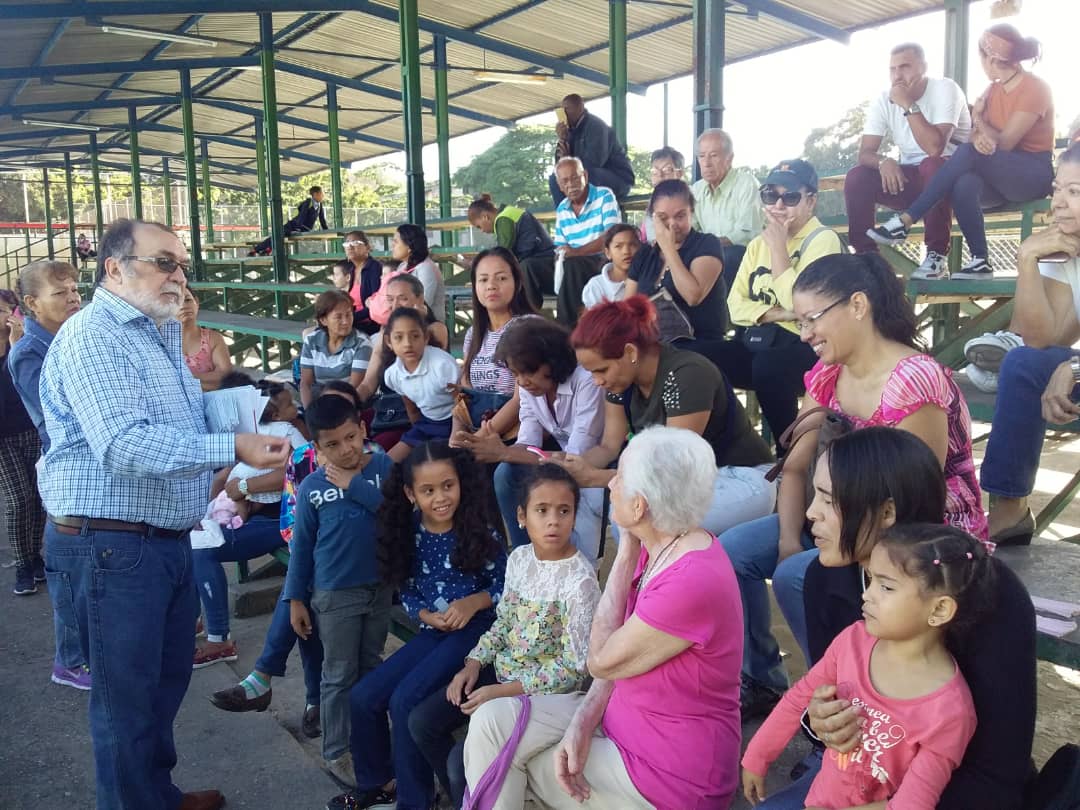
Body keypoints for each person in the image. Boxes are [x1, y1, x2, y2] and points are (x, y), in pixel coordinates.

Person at [38, 218, 291, 810]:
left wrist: (245, 425)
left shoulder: (155, 332)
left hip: (162, 540)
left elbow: (180, 425)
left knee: (160, 688)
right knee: (125, 704)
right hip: (112, 546)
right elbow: (124, 444)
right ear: (115, 269)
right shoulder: (93, 337)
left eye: (181, 263)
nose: (179, 275)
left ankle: (155, 794)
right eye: (164, 262)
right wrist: (231, 448)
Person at [722, 251, 988, 721]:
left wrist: (802, 552)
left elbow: (914, 502)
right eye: (799, 322)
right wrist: (787, 539)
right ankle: (769, 679)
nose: (804, 335)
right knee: (736, 552)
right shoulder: (828, 375)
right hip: (838, 511)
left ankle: (849, 696)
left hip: (920, 528)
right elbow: (797, 468)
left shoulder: (913, 379)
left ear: (859, 306)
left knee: (798, 575)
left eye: (811, 319)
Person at [463, 426, 744, 809]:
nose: (611, 483)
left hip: (667, 774)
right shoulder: (665, 543)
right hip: (622, 723)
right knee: (491, 724)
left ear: (641, 505)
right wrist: (582, 722)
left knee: (512, 764)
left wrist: (625, 548)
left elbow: (599, 659)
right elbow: (614, 670)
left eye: (621, 475)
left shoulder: (690, 580)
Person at [800, 429, 1037, 810]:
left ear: (888, 513)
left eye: (828, 499)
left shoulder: (992, 596)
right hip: (854, 784)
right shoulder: (824, 581)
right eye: (815, 495)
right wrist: (820, 721)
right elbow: (824, 713)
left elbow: (996, 778)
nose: (810, 512)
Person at [742, 523, 992, 809]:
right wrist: (757, 756)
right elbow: (799, 698)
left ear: (939, 610)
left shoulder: (949, 713)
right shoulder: (853, 641)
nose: (867, 594)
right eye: (870, 579)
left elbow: (911, 804)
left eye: (886, 586)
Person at [329, 441, 506, 810]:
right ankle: (378, 783)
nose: (440, 498)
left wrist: (473, 602)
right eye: (428, 490)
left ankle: (416, 801)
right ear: (411, 493)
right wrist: (425, 615)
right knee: (363, 696)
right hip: (434, 632)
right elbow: (406, 590)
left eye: (448, 486)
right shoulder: (407, 531)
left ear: (461, 484)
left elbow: (508, 587)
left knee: (404, 699)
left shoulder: (478, 526)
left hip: (477, 632)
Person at [413, 464, 601, 808]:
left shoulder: (580, 581)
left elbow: (573, 670)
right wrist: (472, 663)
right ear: (521, 516)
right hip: (499, 672)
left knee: (459, 764)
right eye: (541, 511)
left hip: (541, 693)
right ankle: (470, 799)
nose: (553, 521)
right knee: (422, 721)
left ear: (575, 516)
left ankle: (475, 794)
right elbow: (504, 622)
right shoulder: (520, 558)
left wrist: (501, 692)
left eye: (564, 511)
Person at [209, 381, 365, 739]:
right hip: (317, 561)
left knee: (304, 587)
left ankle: (269, 678)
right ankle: (312, 702)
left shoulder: (372, 460)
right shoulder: (301, 459)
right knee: (305, 590)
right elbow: (292, 521)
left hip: (358, 564)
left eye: (348, 425)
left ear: (359, 424)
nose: (340, 433)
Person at [561, 296, 776, 537]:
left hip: (742, 478)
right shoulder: (620, 383)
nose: (597, 381)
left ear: (630, 352)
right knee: (624, 515)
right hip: (690, 485)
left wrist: (595, 478)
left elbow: (671, 470)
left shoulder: (687, 374)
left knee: (643, 521)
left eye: (601, 370)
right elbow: (608, 447)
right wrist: (565, 469)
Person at [868, 25, 1054, 279]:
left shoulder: (1034, 88)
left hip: (1031, 174)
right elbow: (977, 137)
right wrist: (978, 132)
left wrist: (978, 120)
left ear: (991, 58)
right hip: (997, 176)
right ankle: (980, 261)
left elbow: (1006, 143)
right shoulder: (992, 90)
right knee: (964, 182)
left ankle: (907, 219)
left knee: (966, 153)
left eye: (981, 59)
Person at [283, 395, 395, 786]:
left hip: (379, 589)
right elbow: (302, 547)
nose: (346, 449)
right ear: (317, 448)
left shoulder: (382, 467)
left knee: (371, 666)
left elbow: (394, 513)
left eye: (351, 437)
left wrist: (354, 484)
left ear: (363, 430)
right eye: (333, 444)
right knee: (338, 673)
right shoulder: (312, 486)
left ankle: (372, 743)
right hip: (334, 595)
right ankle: (336, 751)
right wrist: (295, 599)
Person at [976, 143, 1080, 543]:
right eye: (1057, 189)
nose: (1058, 203)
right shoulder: (1067, 246)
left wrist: (1071, 368)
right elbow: (1040, 338)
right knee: (1022, 363)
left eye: (1074, 191)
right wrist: (1027, 258)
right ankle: (1009, 511)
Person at [454, 317, 606, 563]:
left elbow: (577, 456)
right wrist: (492, 449)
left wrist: (503, 451)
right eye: (515, 374)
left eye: (529, 371)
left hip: (598, 464)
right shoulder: (527, 387)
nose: (522, 382)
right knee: (506, 473)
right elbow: (528, 441)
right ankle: (527, 559)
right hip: (560, 459)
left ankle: (573, 565)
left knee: (508, 465)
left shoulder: (585, 379)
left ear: (553, 362)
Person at [720, 158, 844, 446]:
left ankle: (790, 453)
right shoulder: (756, 245)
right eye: (769, 196)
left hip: (812, 345)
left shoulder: (822, 239)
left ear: (810, 202)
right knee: (698, 358)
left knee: (768, 367)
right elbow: (734, 305)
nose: (778, 205)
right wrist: (779, 314)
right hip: (761, 338)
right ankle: (734, 448)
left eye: (789, 197)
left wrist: (778, 248)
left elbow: (801, 305)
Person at [191, 378, 308, 669]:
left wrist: (244, 486)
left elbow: (299, 473)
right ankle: (194, 619)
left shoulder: (290, 433)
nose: (294, 406)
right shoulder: (255, 432)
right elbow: (222, 477)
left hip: (284, 520)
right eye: (287, 403)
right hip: (253, 513)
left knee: (203, 550)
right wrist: (205, 514)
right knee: (192, 539)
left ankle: (220, 640)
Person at [7, 261, 87, 686]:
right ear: (32, 303)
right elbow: (61, 416)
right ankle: (70, 660)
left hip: (83, 469)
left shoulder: (72, 336)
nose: (73, 298)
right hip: (65, 472)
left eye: (75, 290)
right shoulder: (29, 353)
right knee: (69, 569)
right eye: (61, 293)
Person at [846, 42, 972, 279]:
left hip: (954, 184)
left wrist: (907, 104)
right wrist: (884, 161)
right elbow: (865, 153)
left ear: (924, 67)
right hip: (914, 182)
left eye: (904, 67)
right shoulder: (883, 100)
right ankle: (867, 259)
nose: (897, 75)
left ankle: (936, 256)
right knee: (857, 177)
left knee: (931, 165)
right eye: (892, 69)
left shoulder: (946, 89)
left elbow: (934, 148)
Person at [625, 178, 730, 344]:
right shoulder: (645, 253)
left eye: (680, 216)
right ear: (653, 217)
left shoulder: (707, 244)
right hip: (653, 346)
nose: (672, 224)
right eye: (663, 218)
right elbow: (628, 308)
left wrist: (668, 248)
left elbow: (693, 296)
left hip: (698, 346)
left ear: (691, 212)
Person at [451, 247, 538, 441]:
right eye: (483, 279)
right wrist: (456, 437)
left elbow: (521, 400)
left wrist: (478, 440)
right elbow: (465, 393)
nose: (491, 285)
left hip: (517, 433)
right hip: (478, 427)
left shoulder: (527, 328)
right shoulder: (473, 334)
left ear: (518, 283)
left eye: (501, 278)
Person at [0, 287, 46, 598]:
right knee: (18, 500)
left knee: (38, 496)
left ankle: (36, 555)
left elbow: (25, 384)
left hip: (29, 428)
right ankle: (22, 563)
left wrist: (14, 346)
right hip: (2, 437)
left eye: (5, 310)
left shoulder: (23, 344)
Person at [548, 157, 622, 326]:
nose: (571, 184)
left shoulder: (604, 195)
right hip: (572, 264)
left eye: (575, 177)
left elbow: (611, 236)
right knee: (529, 267)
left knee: (573, 265)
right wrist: (561, 255)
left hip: (602, 259)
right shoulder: (562, 208)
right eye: (565, 181)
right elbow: (560, 246)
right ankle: (530, 320)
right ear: (559, 186)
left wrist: (576, 252)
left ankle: (566, 330)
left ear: (585, 176)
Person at [356, 272, 450, 406]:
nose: (395, 305)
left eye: (403, 298)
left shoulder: (435, 329)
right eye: (390, 299)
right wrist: (351, 400)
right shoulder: (386, 332)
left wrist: (417, 321)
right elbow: (368, 383)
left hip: (427, 409)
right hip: (388, 408)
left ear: (420, 299)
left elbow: (419, 370)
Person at [690, 129, 765, 293]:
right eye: (701, 156)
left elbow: (746, 235)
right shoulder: (696, 189)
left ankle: (724, 314)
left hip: (745, 257)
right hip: (709, 254)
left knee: (730, 255)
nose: (706, 163)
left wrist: (708, 245)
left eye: (713, 155)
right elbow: (690, 230)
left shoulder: (746, 184)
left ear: (729, 158)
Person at [381, 307, 460, 462]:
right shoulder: (392, 374)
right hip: (425, 424)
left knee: (434, 462)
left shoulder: (442, 365)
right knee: (389, 462)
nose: (408, 344)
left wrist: (455, 439)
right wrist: (417, 433)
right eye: (399, 337)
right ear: (388, 341)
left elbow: (462, 403)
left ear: (426, 337)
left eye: (415, 336)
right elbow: (412, 409)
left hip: (453, 423)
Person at [549, 93, 635, 203]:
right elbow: (560, 166)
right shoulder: (569, 131)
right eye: (562, 110)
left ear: (580, 107)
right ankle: (566, 216)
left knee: (586, 175)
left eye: (567, 109)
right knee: (555, 179)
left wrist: (569, 160)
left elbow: (595, 161)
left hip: (617, 178)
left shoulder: (596, 126)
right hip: (589, 174)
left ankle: (584, 212)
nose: (564, 114)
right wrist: (562, 139)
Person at [299, 289, 373, 408]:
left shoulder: (362, 344)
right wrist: (309, 412)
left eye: (348, 315)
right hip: (318, 401)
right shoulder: (311, 340)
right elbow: (305, 383)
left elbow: (352, 388)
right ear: (323, 320)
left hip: (347, 403)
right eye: (338, 317)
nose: (345, 321)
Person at [467, 194, 556, 264]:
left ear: (485, 217)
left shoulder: (503, 219)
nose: (482, 230)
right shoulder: (507, 212)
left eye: (479, 226)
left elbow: (503, 252)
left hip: (540, 257)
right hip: (542, 254)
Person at [179, 288, 233, 391]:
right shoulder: (161, 343)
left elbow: (225, 375)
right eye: (176, 302)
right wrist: (206, 381)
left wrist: (186, 380)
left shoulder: (213, 339)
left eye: (187, 300)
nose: (183, 306)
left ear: (197, 302)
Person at [251, 185, 329, 255]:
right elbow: (302, 215)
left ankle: (266, 249)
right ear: (315, 194)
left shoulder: (319, 205)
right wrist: (298, 228)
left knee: (279, 236)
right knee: (278, 235)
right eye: (321, 193)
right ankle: (257, 250)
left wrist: (327, 231)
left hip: (304, 228)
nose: (323, 196)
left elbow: (322, 219)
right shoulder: (308, 202)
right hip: (294, 225)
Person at [581, 223, 639, 309]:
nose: (626, 251)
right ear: (608, 253)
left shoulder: (646, 281)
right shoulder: (596, 286)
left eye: (632, 245)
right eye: (618, 246)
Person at [639, 146, 686, 243]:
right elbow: (652, 242)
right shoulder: (652, 203)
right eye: (655, 171)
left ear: (680, 173)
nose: (660, 175)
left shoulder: (689, 200)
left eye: (667, 170)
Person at [341, 230, 383, 333]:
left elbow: (376, 306)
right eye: (347, 244)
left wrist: (350, 319)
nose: (350, 247)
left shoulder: (375, 268)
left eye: (355, 243)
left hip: (370, 324)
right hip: (354, 321)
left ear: (368, 247)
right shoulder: (352, 270)